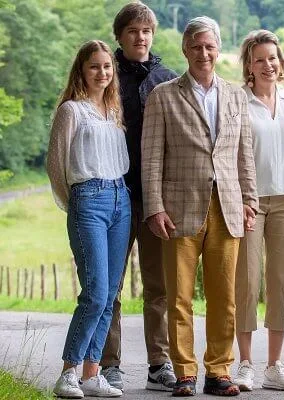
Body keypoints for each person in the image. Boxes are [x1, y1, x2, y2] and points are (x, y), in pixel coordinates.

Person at [141, 16, 258, 397]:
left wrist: (250, 200)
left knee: (226, 295)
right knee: (179, 297)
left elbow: (244, 155)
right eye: (196, 46)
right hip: (178, 210)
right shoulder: (163, 95)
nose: (203, 53)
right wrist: (155, 206)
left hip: (228, 206)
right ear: (185, 49)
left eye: (209, 46)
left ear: (218, 49)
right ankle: (185, 372)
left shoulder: (236, 95)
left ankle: (219, 371)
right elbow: (151, 158)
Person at [99, 2, 178, 392]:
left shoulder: (168, 79)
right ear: (120, 36)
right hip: (113, 194)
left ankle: (158, 363)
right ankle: (109, 364)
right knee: (110, 285)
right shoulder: (104, 76)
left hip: (156, 200)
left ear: (153, 35)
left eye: (146, 30)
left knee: (158, 285)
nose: (140, 37)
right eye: (133, 30)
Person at [47, 40, 130, 398]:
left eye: (107, 66)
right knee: (95, 293)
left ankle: (93, 374)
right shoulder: (72, 111)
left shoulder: (113, 110)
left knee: (110, 294)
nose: (102, 73)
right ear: (81, 70)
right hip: (89, 200)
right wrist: (75, 204)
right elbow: (55, 165)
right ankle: (68, 372)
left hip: (121, 200)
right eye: (94, 66)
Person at [232, 29, 284, 392]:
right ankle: (245, 364)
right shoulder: (238, 101)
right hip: (249, 202)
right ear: (249, 64)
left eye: (273, 58)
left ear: (281, 62)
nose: (268, 65)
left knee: (280, 282)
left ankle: (274, 365)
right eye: (259, 59)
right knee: (247, 282)